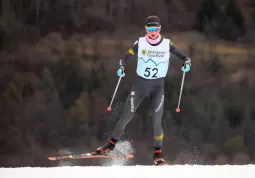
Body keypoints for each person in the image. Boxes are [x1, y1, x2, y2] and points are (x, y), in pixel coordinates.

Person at [92, 15, 191, 165]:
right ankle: (110, 146)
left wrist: (187, 63)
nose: (153, 32)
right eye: (150, 29)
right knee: (126, 116)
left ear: (159, 29)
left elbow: (184, 57)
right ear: (146, 29)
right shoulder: (140, 43)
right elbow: (125, 58)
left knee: (156, 121)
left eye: (155, 29)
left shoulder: (167, 44)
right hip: (140, 85)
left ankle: (158, 154)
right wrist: (121, 67)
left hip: (157, 87)